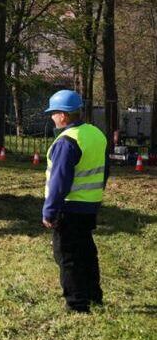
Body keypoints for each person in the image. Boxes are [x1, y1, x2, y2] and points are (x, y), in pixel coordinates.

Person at [41, 89, 106, 313]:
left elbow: (59, 182)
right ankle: (93, 295)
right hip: (89, 206)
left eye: (54, 112)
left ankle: (77, 304)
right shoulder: (96, 134)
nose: (52, 117)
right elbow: (104, 171)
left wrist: (49, 212)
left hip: (68, 208)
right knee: (87, 253)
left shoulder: (67, 141)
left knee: (67, 257)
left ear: (64, 115)